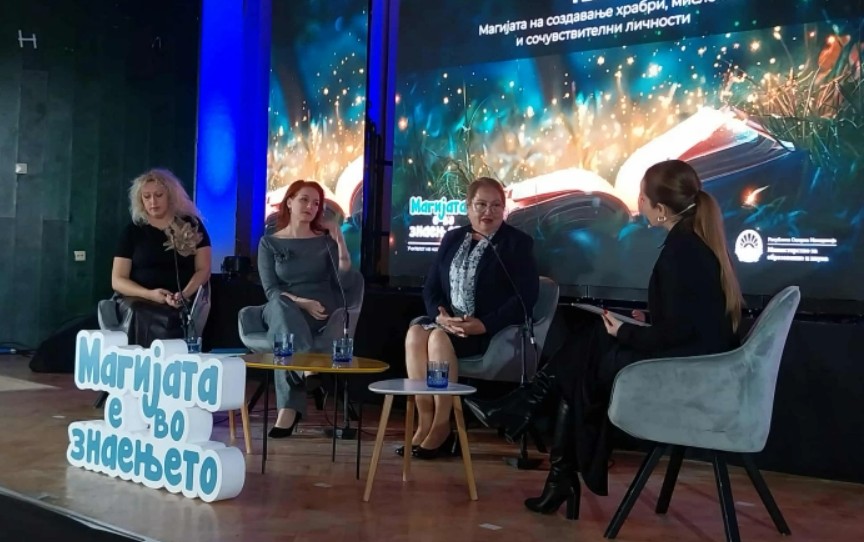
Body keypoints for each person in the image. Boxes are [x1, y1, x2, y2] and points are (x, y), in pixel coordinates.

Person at [465, 159, 743, 519]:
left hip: (688, 371)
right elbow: (686, 320)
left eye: (642, 197)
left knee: (588, 353)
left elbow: (680, 334)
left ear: (660, 209)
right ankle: (542, 441)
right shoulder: (689, 243)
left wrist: (626, 331)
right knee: (587, 349)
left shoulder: (682, 252)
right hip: (692, 357)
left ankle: (533, 420)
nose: (637, 203)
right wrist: (645, 321)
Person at [400, 177, 540, 459]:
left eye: (496, 205)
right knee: (415, 333)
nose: (488, 212)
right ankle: (425, 421)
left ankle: (442, 425)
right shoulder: (453, 238)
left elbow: (525, 298)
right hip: (448, 324)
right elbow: (431, 288)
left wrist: (484, 324)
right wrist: (440, 315)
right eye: (481, 205)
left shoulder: (516, 243)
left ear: (504, 209)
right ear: (468, 207)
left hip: (490, 332)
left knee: (437, 338)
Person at [257, 180, 351, 438]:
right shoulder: (269, 243)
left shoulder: (324, 242)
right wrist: (301, 302)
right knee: (281, 309)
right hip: (282, 306)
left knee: (283, 339)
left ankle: (288, 412)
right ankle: (307, 367)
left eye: (316, 203)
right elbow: (271, 290)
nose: (310, 206)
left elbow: (344, 279)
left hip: (319, 312)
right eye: (304, 200)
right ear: (289, 201)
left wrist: (339, 239)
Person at [110, 169, 212, 348]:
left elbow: (203, 269)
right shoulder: (132, 231)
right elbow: (118, 280)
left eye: (158, 195)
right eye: (147, 197)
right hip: (141, 300)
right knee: (141, 312)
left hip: (184, 298)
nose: (153, 201)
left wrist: (184, 294)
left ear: (171, 196)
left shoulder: (192, 225)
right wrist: (149, 294)